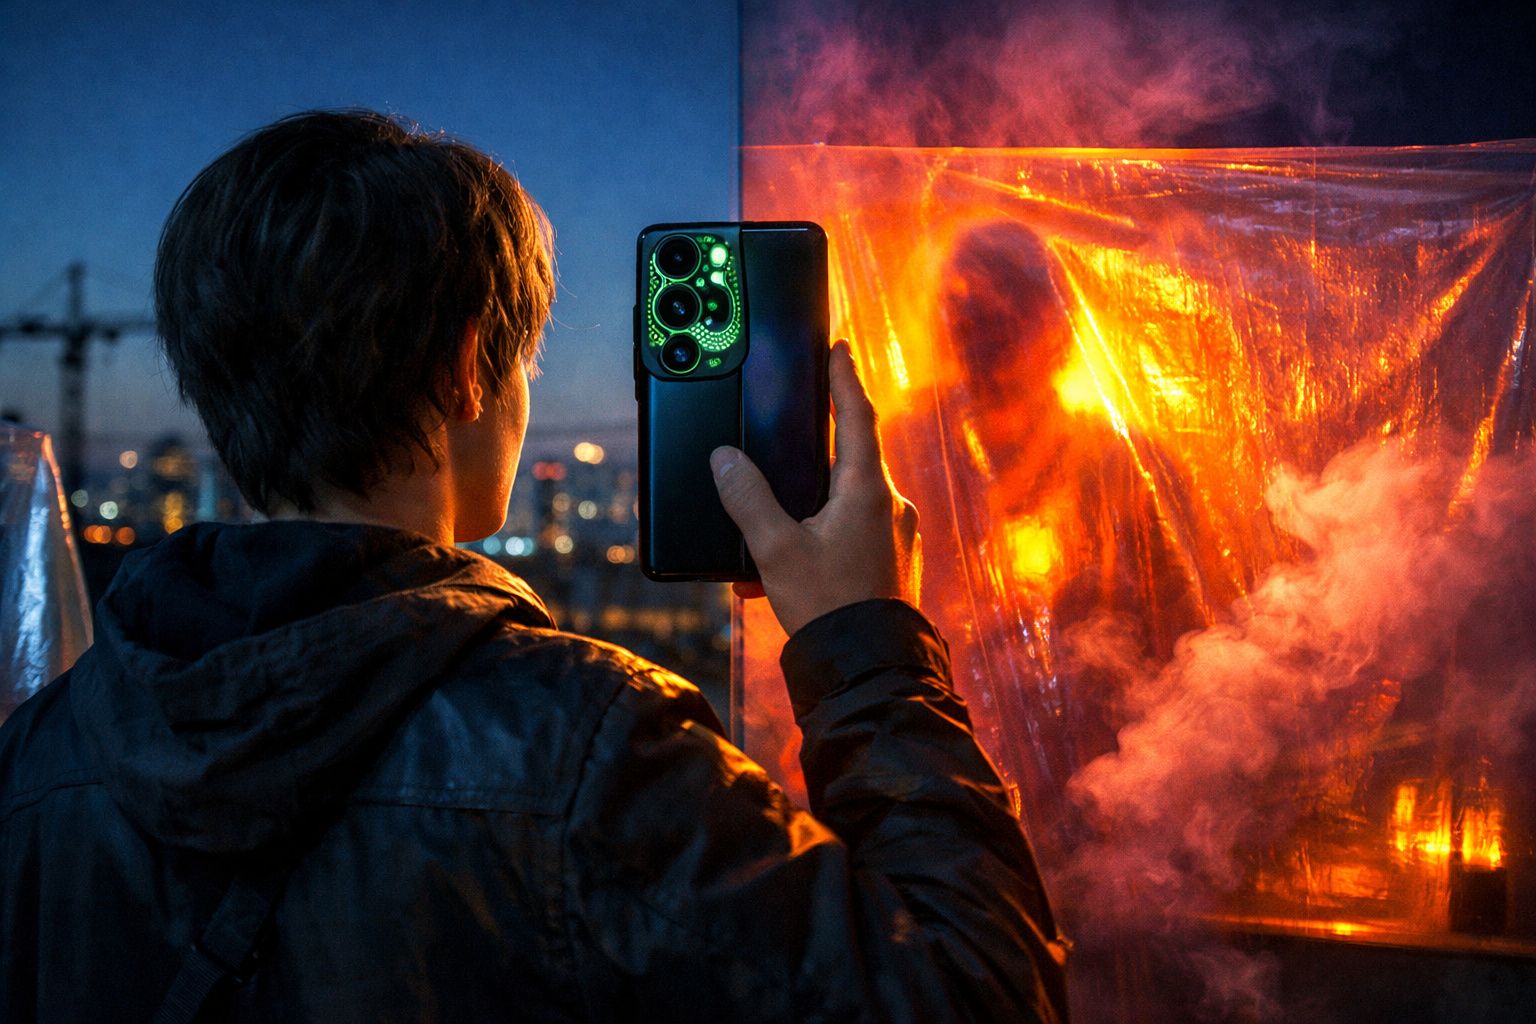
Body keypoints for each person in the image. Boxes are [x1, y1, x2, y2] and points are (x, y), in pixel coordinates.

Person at [0, 110, 1067, 1023]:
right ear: (470, 366)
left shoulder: (38, 758)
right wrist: (867, 646)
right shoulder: (595, 752)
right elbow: (978, 991)